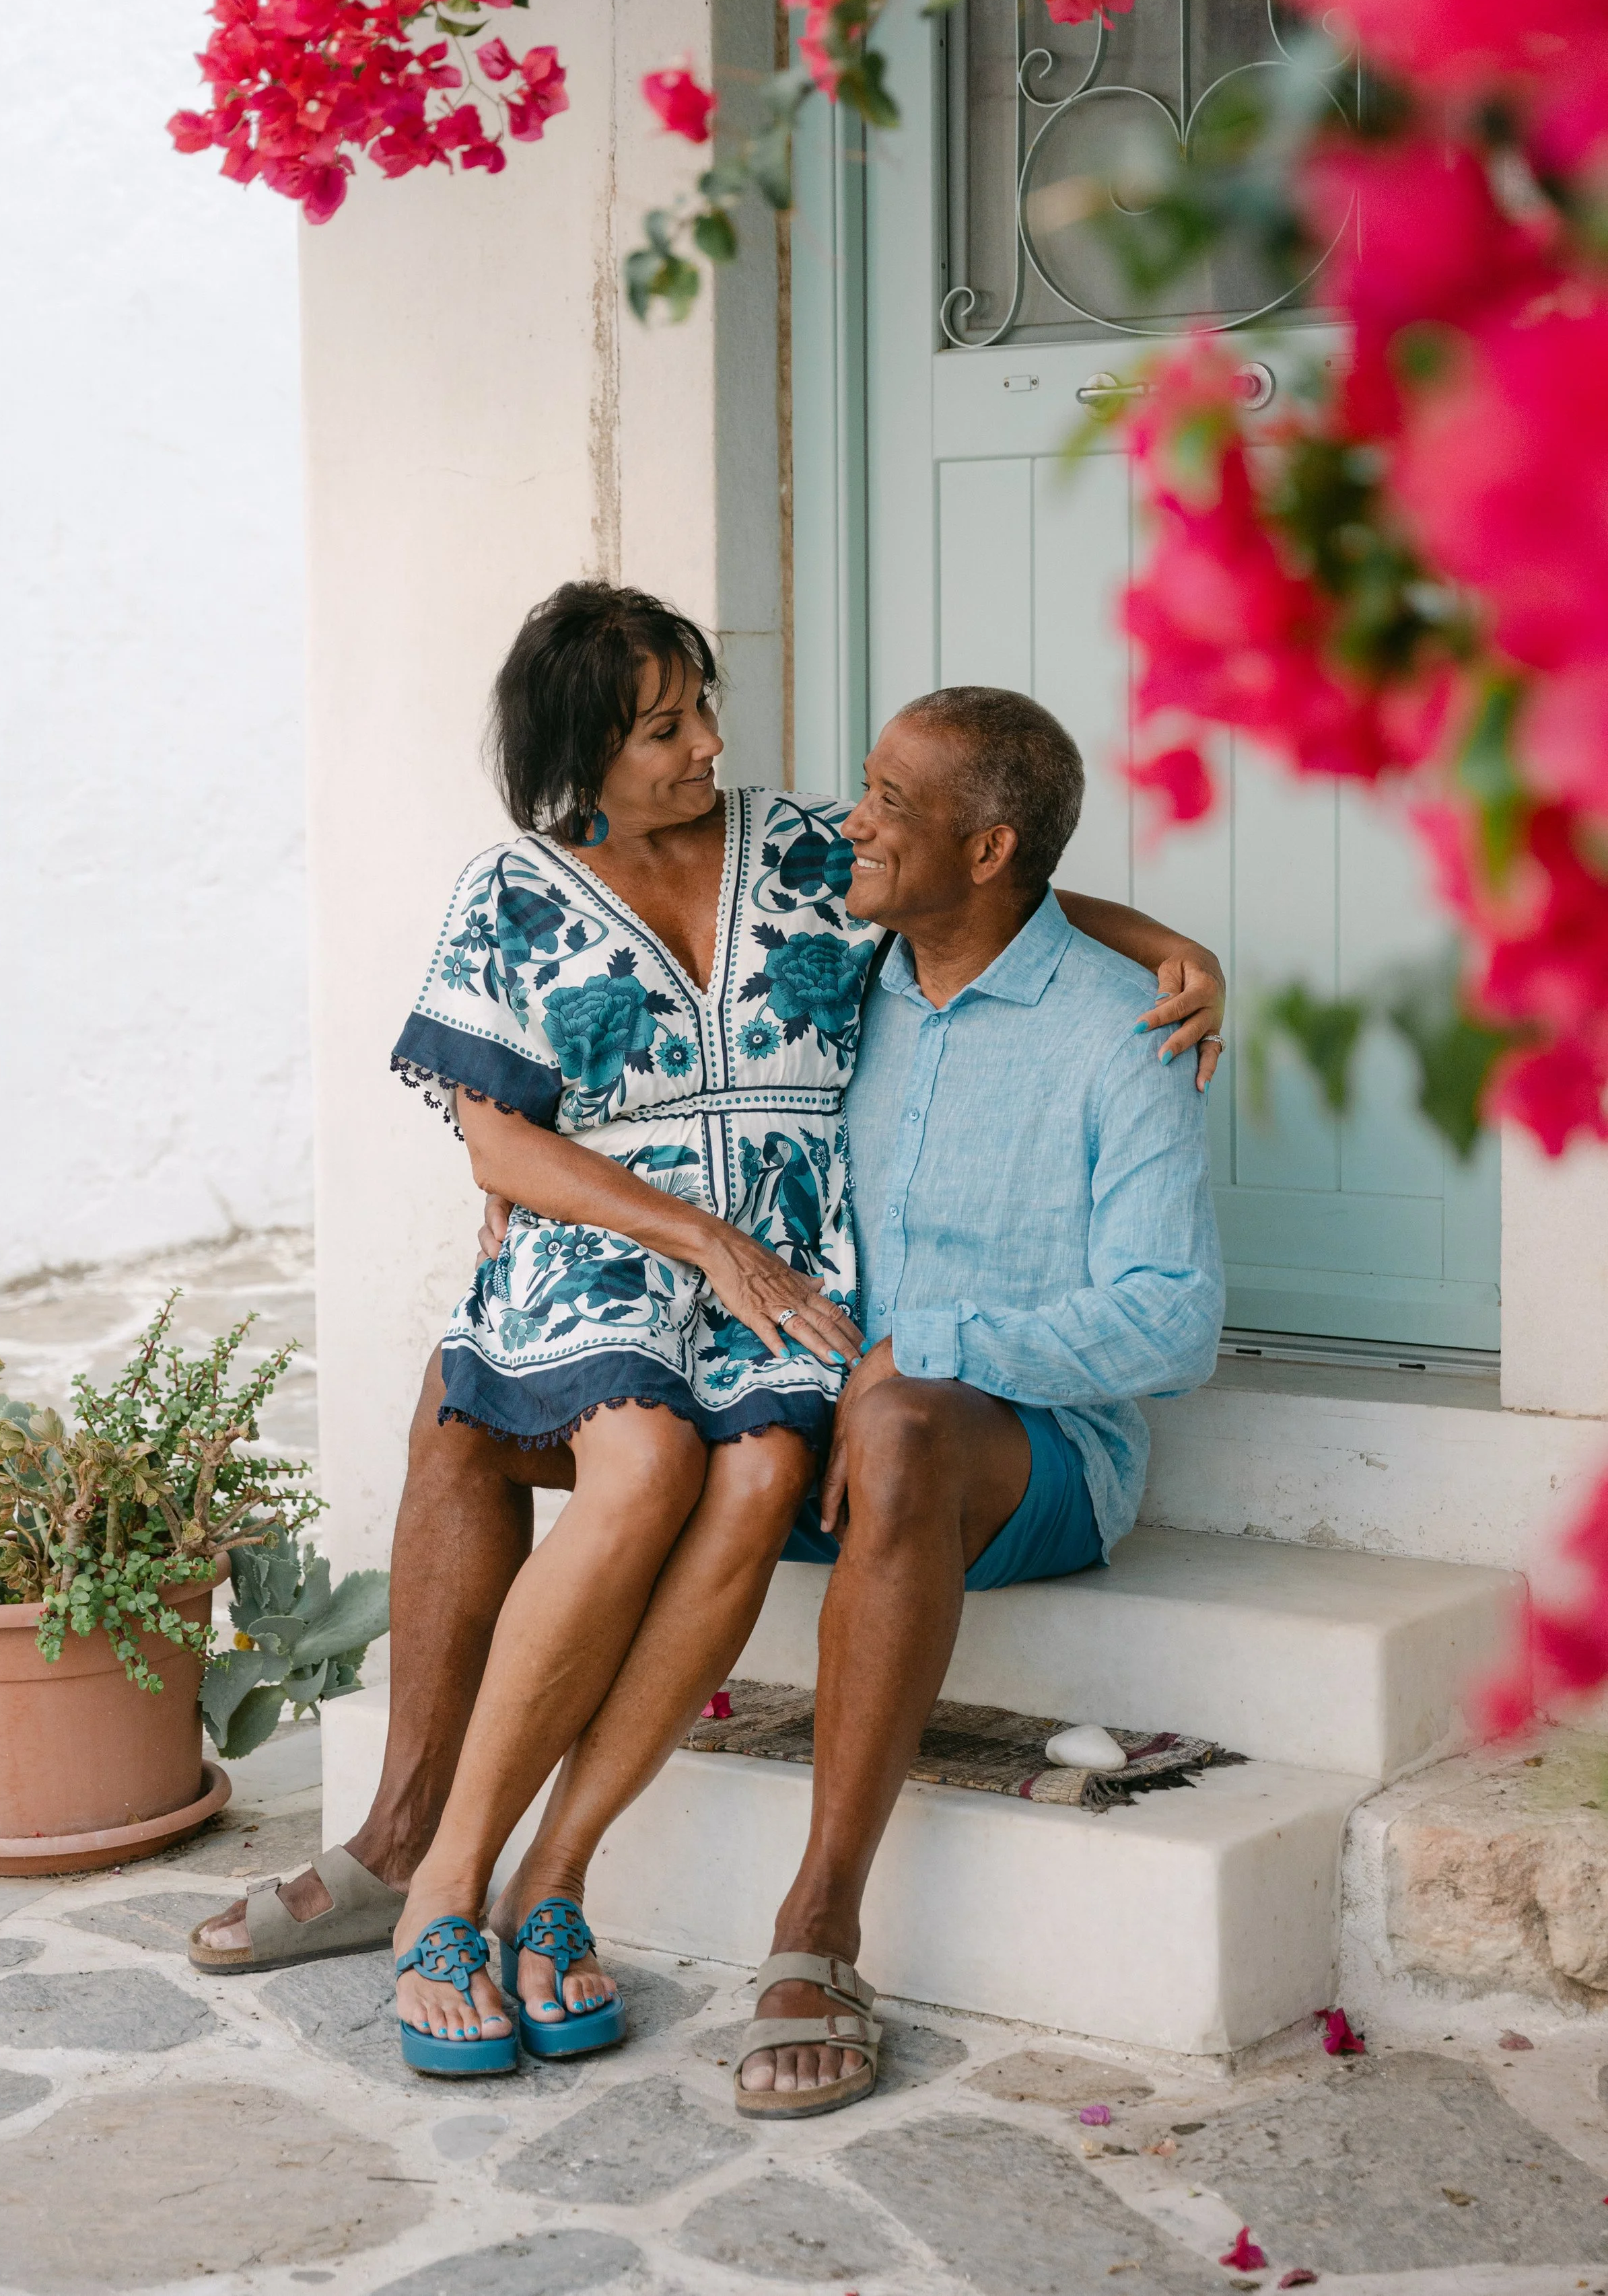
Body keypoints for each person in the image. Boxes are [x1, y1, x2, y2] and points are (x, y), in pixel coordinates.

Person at [189, 583, 1225, 2075]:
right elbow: (498, 1139)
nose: (708, 746)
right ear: (582, 752)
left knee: (741, 1468)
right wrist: (679, 1228)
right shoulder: (519, 890)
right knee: (511, 1419)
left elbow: (988, 893)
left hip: (806, 1312)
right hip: (652, 1258)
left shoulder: (808, 858)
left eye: (701, 712)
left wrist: (1168, 943)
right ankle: (425, 1862)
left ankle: (574, 1883)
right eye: (663, 728)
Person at [730, 686, 1225, 2114]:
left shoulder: (1117, 1035)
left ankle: (818, 1926)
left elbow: (1171, 1321)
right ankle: (450, 1855)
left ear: (990, 847)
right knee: (528, 1398)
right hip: (815, 1422)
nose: (852, 818)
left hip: (1033, 1462)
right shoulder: (832, 972)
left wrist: (927, 1340)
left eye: (889, 797)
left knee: (899, 1422)